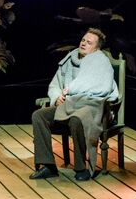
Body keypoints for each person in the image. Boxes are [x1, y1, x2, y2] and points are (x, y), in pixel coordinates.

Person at [29, 28, 119, 181]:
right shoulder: (69, 60)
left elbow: (104, 88)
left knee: (77, 119)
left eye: (89, 43)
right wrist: (57, 98)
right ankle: (48, 166)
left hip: (89, 107)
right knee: (39, 116)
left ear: (96, 49)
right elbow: (55, 85)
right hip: (66, 105)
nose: (83, 43)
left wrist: (74, 92)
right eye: (83, 40)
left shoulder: (100, 62)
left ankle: (80, 167)